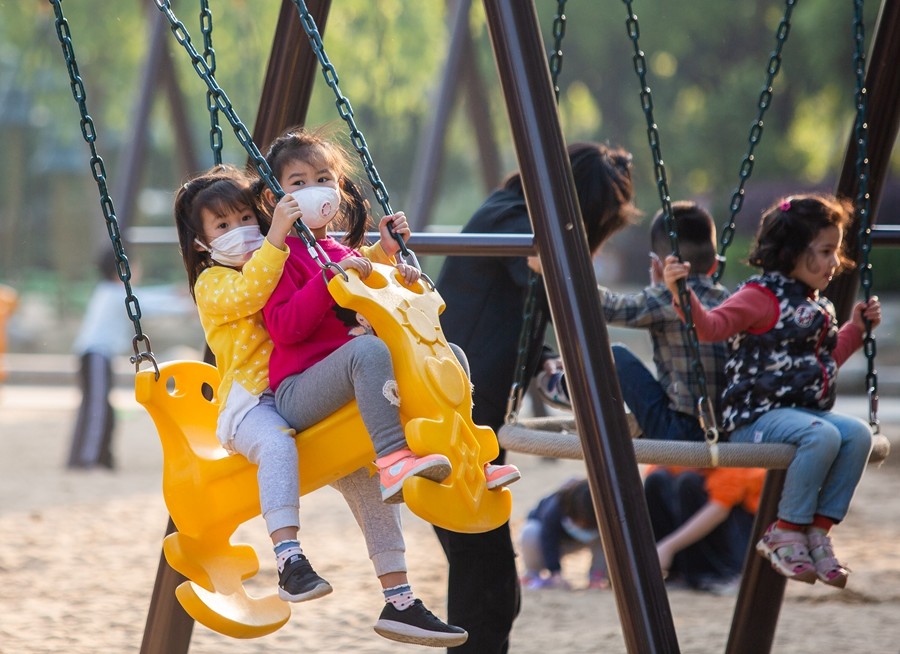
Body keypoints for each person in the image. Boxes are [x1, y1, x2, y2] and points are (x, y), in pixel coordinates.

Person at [258, 127, 518, 646]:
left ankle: (403, 596)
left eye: (324, 177)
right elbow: (284, 327)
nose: (316, 188)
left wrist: (390, 250)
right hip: (296, 394)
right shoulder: (277, 257)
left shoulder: (340, 248)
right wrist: (328, 279)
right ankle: (395, 458)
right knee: (370, 352)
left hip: (350, 384)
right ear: (275, 197)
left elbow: (379, 286)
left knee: (451, 354)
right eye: (299, 181)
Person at [435, 142, 638, 653]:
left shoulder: (511, 216)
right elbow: (534, 259)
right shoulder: (510, 218)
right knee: (487, 576)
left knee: (487, 574)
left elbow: (513, 313)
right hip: (445, 418)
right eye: (596, 227)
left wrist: (547, 362)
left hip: (472, 421)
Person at [663, 193, 882, 588]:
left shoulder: (817, 305)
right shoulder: (758, 297)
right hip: (755, 418)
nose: (835, 262)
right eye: (826, 251)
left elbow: (827, 361)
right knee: (823, 435)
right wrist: (682, 293)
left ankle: (816, 530)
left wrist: (855, 330)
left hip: (803, 415)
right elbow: (710, 327)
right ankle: (784, 530)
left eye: (837, 251)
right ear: (792, 251)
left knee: (857, 434)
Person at [536, 201, 730, 442]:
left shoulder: (667, 298)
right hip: (724, 431)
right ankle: (634, 421)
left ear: (658, 264)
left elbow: (605, 307)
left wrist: (554, 269)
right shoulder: (728, 300)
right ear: (714, 265)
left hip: (678, 432)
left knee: (615, 355)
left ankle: (563, 388)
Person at [68, 250, 191, 469]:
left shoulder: (107, 291)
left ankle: (96, 457)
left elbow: (144, 296)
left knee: (98, 405)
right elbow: (146, 304)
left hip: (95, 356)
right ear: (123, 270)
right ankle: (87, 458)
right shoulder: (114, 294)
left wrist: (174, 292)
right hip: (96, 355)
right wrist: (186, 305)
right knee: (97, 407)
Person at [644, 465, 766, 594]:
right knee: (657, 479)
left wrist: (668, 547)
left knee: (689, 482)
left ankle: (725, 574)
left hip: (745, 531)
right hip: (713, 510)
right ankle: (680, 572)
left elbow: (719, 509)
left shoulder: (733, 453)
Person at [519, 478, 608, 591]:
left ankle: (597, 576)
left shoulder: (600, 507)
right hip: (551, 541)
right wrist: (555, 572)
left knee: (606, 536)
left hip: (585, 540)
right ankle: (533, 573)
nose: (582, 526)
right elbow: (548, 539)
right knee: (530, 531)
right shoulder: (555, 508)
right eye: (581, 522)